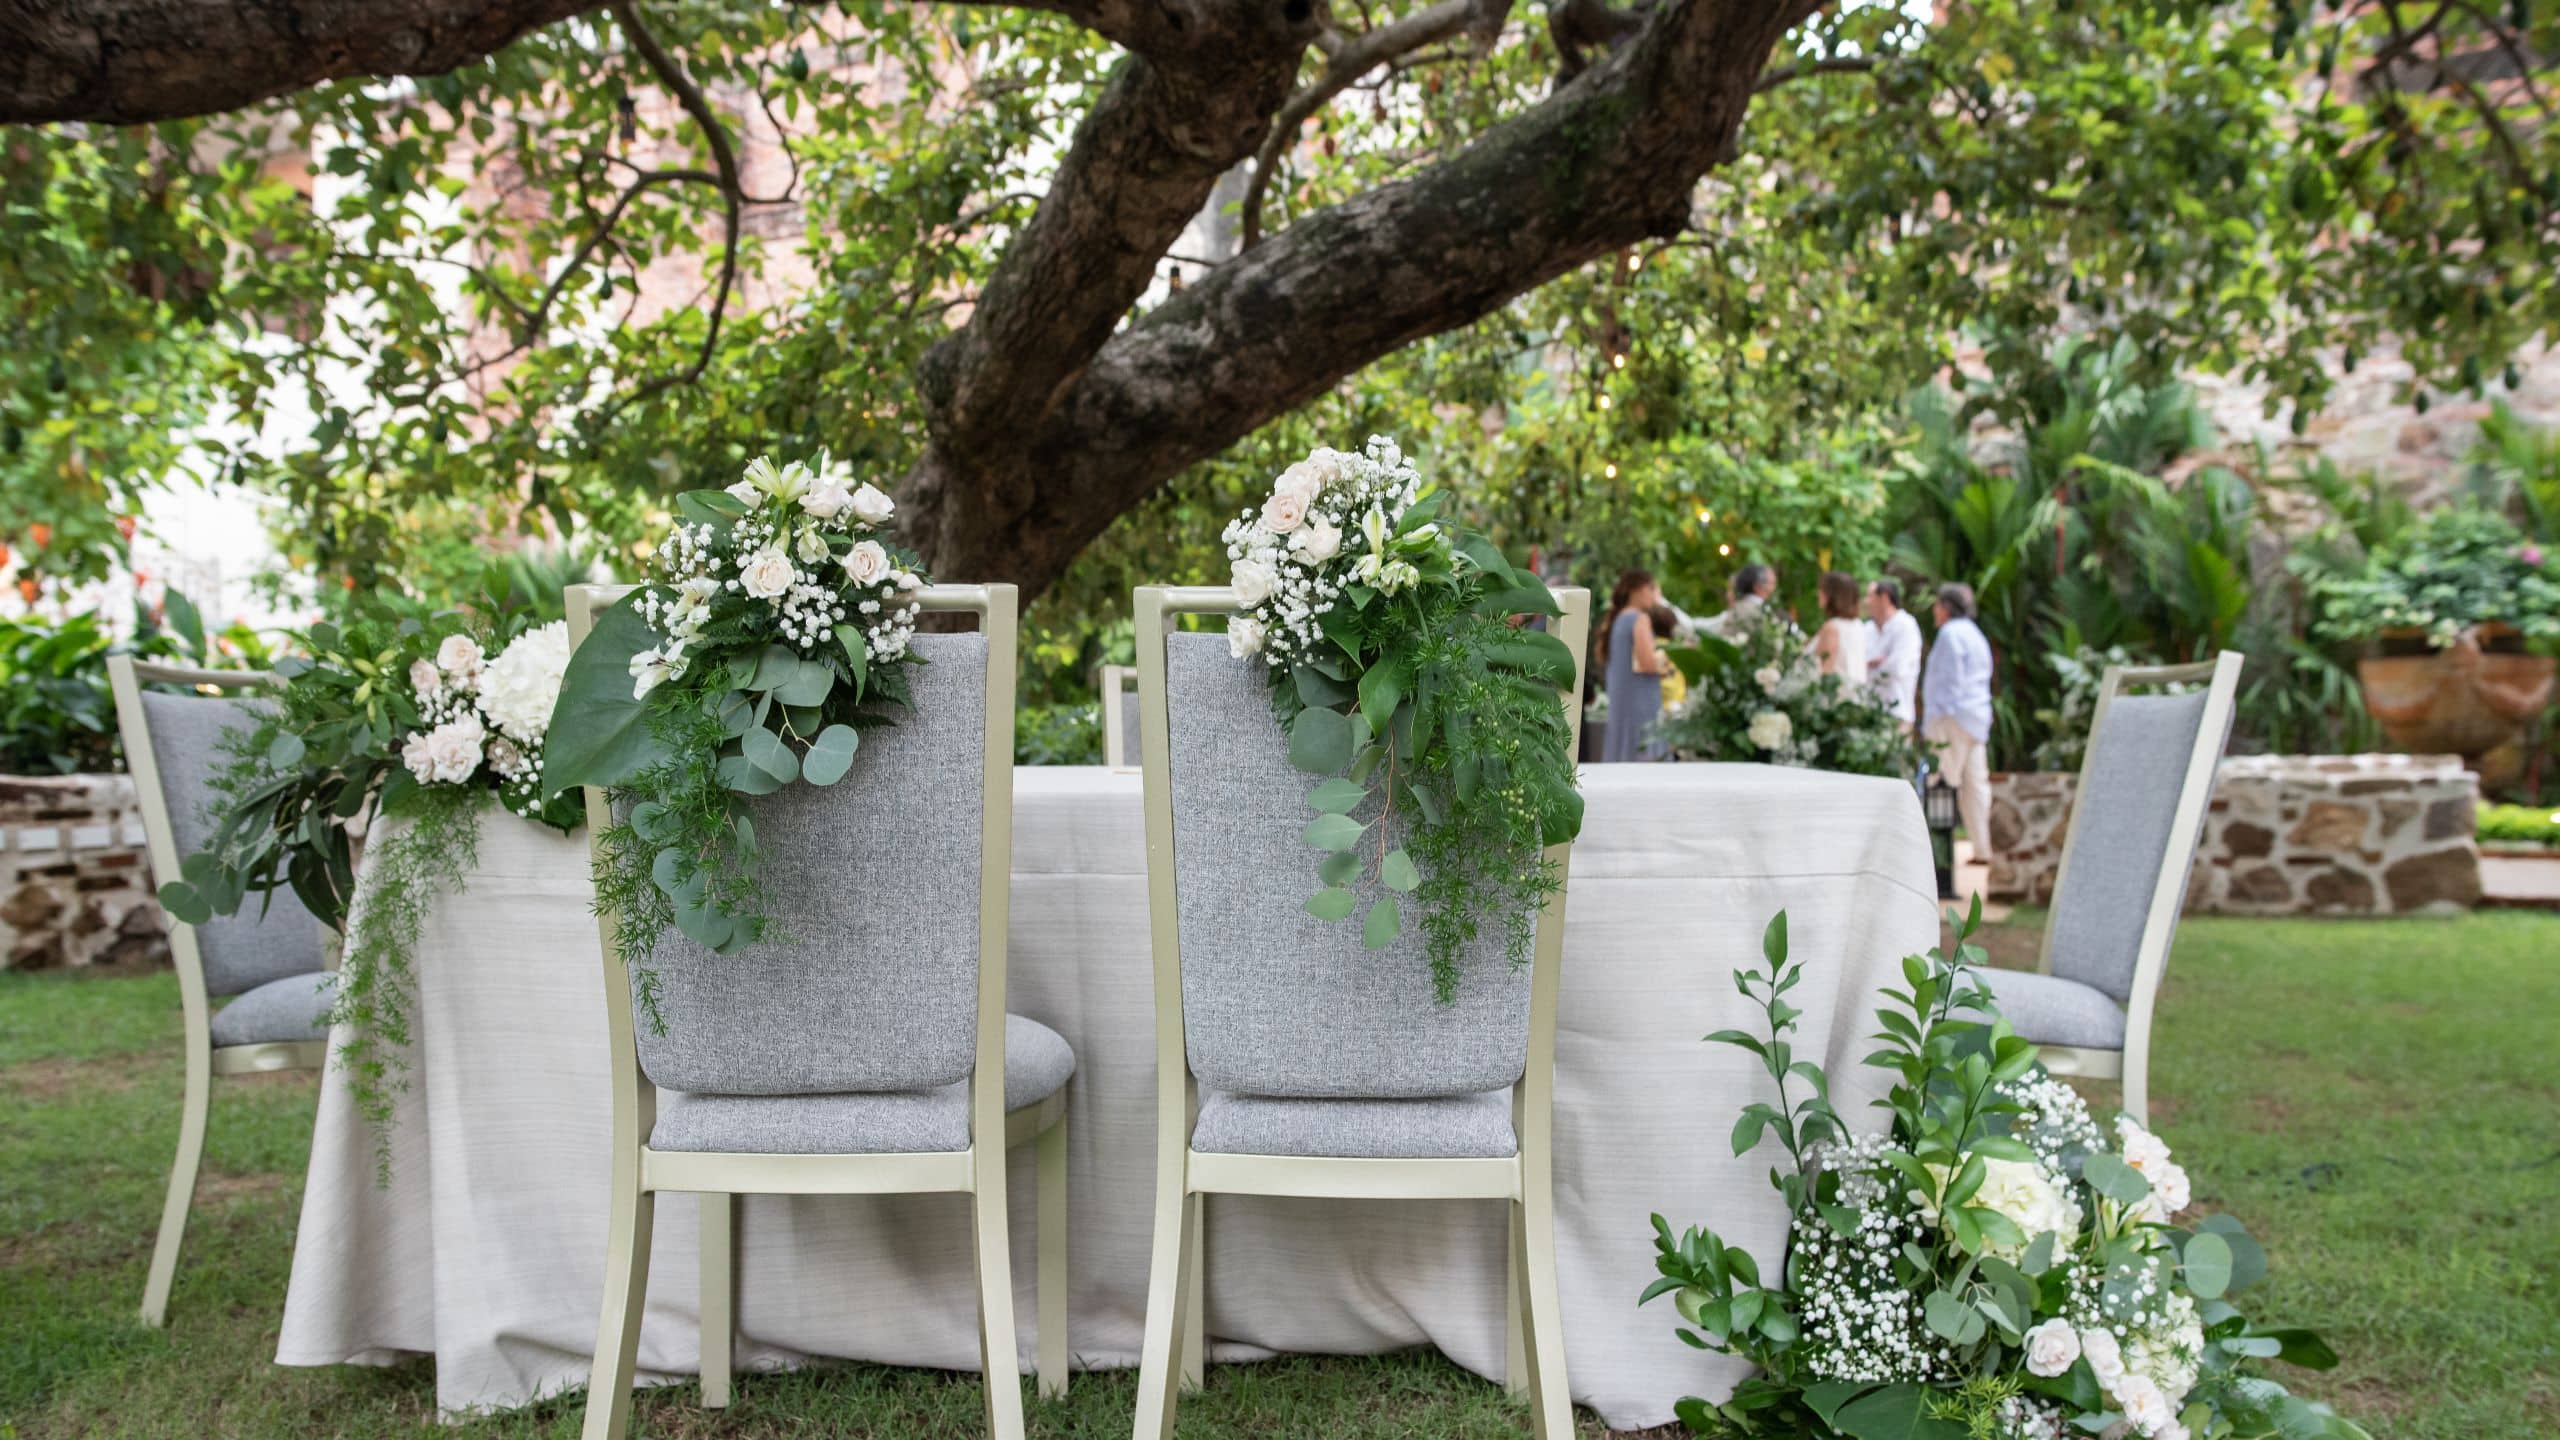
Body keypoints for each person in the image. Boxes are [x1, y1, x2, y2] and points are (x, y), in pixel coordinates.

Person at [1921, 581, 1996, 862]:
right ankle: (1982, 848)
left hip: (1952, 718)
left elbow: (1949, 682)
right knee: (1975, 785)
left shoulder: (1950, 634)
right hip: (1976, 718)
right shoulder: (1976, 634)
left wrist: (1936, 719)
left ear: (1946, 607)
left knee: (1941, 784)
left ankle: (1938, 858)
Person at [1598, 569, 1672, 761]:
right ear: (1637, 590)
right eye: (1651, 588)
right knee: (1644, 743)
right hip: (1641, 695)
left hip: (1623, 695)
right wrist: (1671, 662)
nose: (1654, 595)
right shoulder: (1639, 618)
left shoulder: (1617, 618)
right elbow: (1647, 662)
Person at [1862, 577, 1923, 726]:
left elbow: (1897, 669)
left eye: (1870, 596)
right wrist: (1875, 664)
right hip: (1868, 711)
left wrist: (1872, 667)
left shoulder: (1905, 626)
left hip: (1896, 714)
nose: (1865, 602)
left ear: (1884, 598)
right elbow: (1858, 667)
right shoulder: (1867, 629)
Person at [1810, 571, 1868, 684]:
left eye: (1822, 590)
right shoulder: (1857, 625)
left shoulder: (1832, 627)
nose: (1818, 594)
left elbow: (1824, 672)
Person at [1708, 562, 1777, 640]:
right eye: (1772, 583)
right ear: (1757, 586)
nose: (1774, 589)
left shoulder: (1738, 610)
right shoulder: (1760, 611)